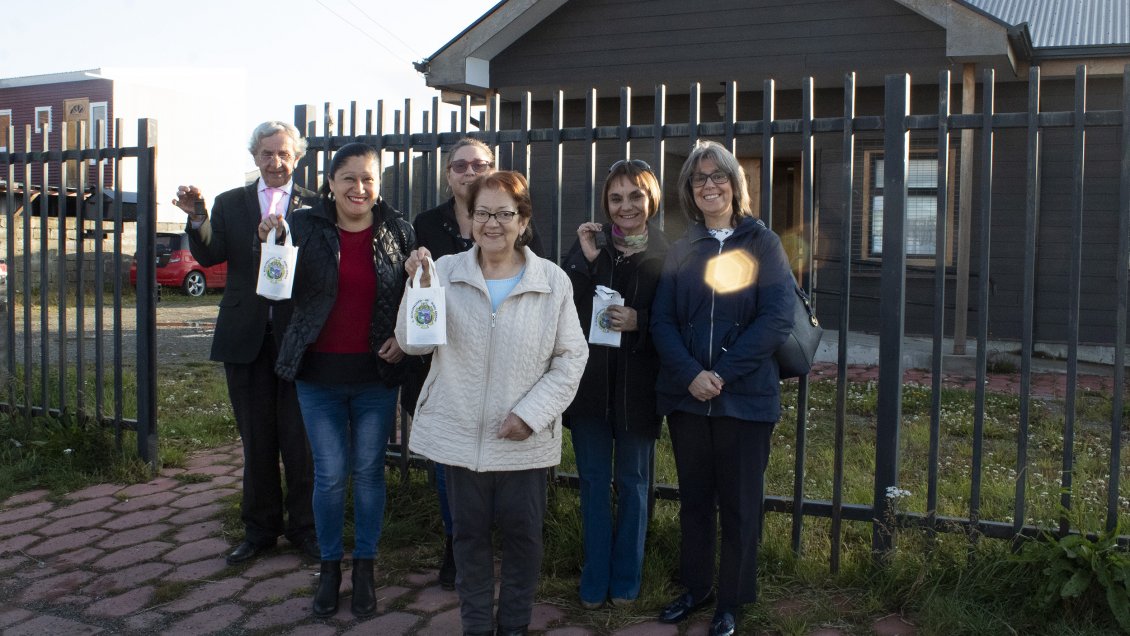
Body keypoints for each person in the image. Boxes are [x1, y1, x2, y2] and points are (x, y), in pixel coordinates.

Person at [395, 171, 587, 636]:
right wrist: (418, 287)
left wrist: (530, 414)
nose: (493, 223)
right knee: (468, 540)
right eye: (483, 213)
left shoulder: (552, 282)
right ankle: (476, 627)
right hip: (461, 436)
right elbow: (412, 343)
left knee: (524, 541)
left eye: (505, 213)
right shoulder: (444, 271)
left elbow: (571, 357)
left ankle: (515, 626)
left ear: (524, 220)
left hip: (521, 441)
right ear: (469, 218)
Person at [265, 142, 416, 618]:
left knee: (369, 473)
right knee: (330, 476)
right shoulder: (304, 227)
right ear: (330, 183)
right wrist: (269, 239)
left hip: (376, 376)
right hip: (318, 376)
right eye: (348, 177)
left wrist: (403, 337)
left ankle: (366, 567)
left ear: (379, 185)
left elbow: (414, 298)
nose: (359, 187)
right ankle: (330, 569)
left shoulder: (399, 231)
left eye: (368, 178)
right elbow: (277, 287)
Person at [651, 141, 794, 636]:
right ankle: (696, 588)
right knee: (694, 500)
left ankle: (731, 600)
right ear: (690, 192)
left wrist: (723, 374)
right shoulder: (681, 248)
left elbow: (777, 318)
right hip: (688, 399)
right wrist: (692, 374)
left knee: (739, 505)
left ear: (735, 184)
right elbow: (662, 321)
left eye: (718, 177)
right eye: (699, 179)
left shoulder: (763, 243)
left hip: (745, 398)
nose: (709, 185)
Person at [404, 138, 546, 590]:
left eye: (479, 164)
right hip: (447, 370)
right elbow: (417, 304)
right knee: (453, 471)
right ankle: (457, 547)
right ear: (448, 174)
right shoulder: (427, 224)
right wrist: (416, 279)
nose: (469, 171)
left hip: (507, 376)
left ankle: (495, 554)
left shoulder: (519, 230)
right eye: (460, 165)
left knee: (507, 486)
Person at [173, 121, 317, 565]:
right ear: (255, 156)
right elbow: (211, 255)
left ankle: (305, 529)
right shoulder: (231, 203)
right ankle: (259, 530)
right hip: (245, 336)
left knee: (300, 439)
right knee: (256, 439)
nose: (276, 163)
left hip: (299, 337)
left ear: (298, 158)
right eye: (268, 154)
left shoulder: (315, 206)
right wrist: (198, 216)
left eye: (285, 155)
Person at [562, 159, 669, 609]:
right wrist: (586, 264)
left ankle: (626, 577)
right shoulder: (589, 248)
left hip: (638, 392)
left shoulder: (668, 253)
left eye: (635, 196)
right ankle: (595, 574)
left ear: (651, 201)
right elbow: (564, 310)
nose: (626, 207)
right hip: (589, 390)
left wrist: (640, 321)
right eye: (616, 197)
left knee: (634, 483)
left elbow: (677, 320)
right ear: (606, 203)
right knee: (592, 482)